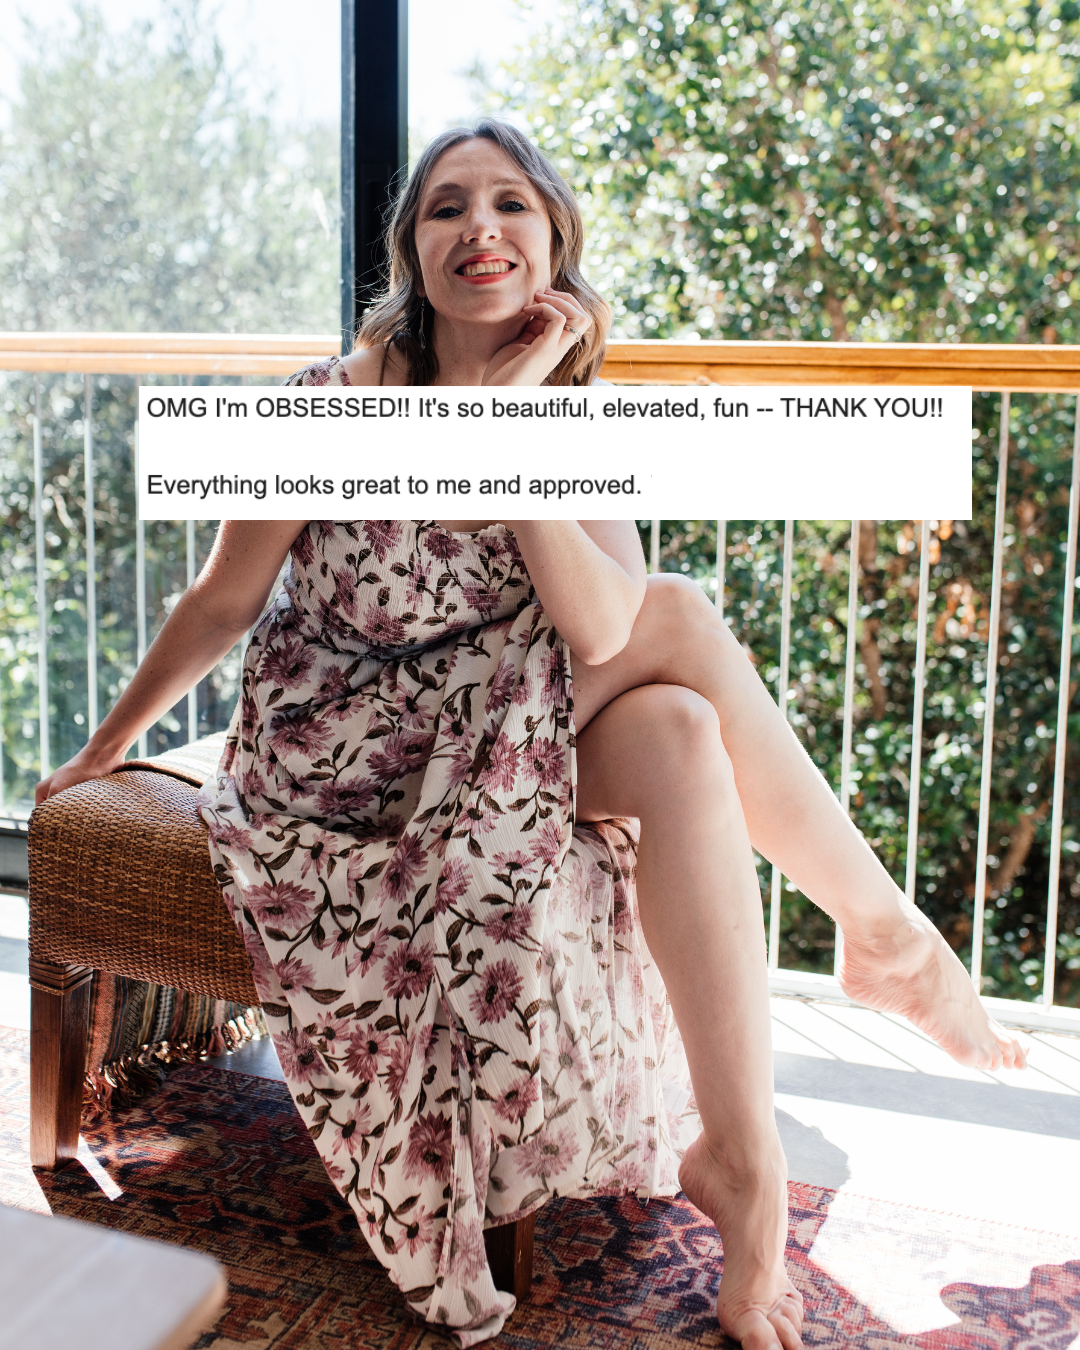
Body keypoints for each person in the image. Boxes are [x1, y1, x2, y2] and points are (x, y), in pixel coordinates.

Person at [37, 119, 1026, 1350]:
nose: (481, 227)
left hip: (494, 728)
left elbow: (603, 626)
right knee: (687, 623)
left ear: (553, 245)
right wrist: (102, 745)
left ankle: (740, 1151)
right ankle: (882, 933)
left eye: (512, 204)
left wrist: (508, 424)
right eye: (447, 207)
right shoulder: (330, 407)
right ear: (413, 250)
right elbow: (223, 601)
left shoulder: (567, 422)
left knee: (673, 725)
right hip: (342, 753)